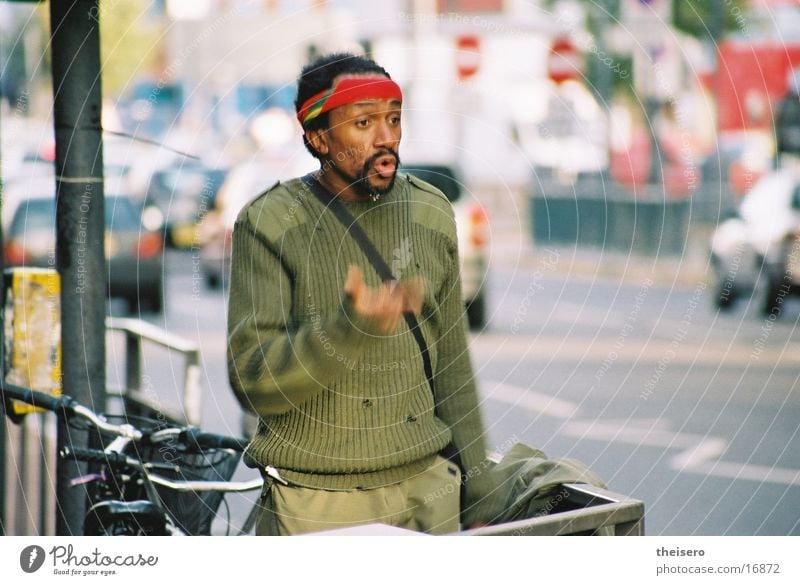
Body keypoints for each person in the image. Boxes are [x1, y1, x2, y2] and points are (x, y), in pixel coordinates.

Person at [227, 52, 499, 535]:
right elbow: (253, 382)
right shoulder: (269, 223)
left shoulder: (430, 211)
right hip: (318, 505)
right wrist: (348, 329)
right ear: (318, 137)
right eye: (363, 122)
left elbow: (453, 364)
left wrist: (481, 493)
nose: (386, 137)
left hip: (429, 492)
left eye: (393, 119)